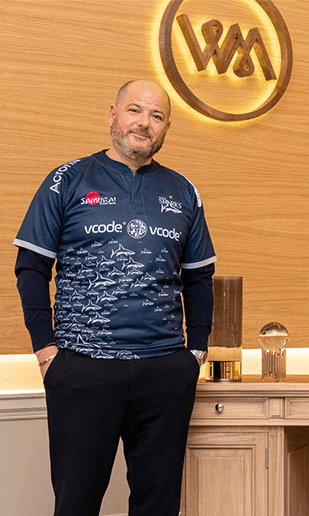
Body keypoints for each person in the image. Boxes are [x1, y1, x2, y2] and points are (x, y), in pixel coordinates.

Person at [13, 79, 217, 516]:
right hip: (82, 371)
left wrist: (195, 354)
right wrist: (48, 353)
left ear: (165, 128)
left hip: (163, 372)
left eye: (157, 116)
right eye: (135, 110)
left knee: (158, 505)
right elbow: (30, 269)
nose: (144, 123)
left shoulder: (183, 191)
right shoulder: (66, 180)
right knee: (76, 504)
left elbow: (201, 278)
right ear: (113, 114)